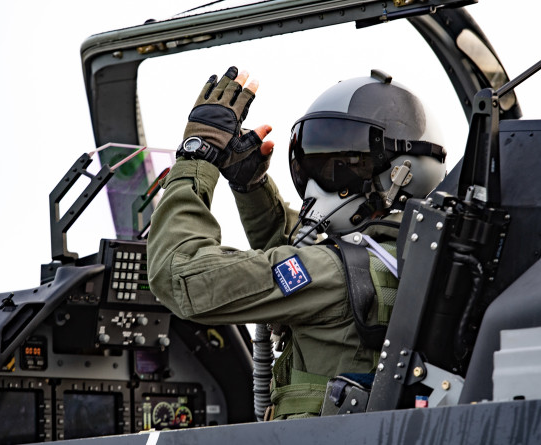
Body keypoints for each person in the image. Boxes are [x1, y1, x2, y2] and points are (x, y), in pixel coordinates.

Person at [147, 66, 446, 420]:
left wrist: (197, 158)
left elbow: (181, 277)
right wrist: (253, 186)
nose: (318, 180)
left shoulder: (335, 274)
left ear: (399, 173)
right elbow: (303, 254)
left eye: (339, 165)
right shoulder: (404, 258)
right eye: (312, 162)